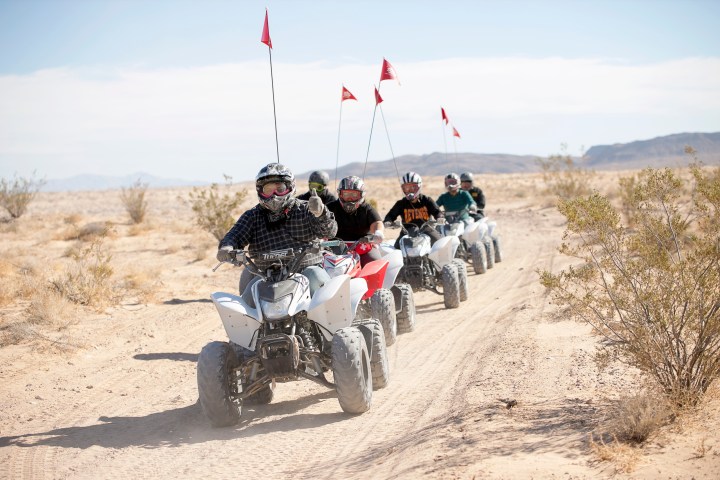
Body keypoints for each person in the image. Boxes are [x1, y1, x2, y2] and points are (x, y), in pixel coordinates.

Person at [216, 163, 337, 304]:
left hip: (305, 270)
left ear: (290, 187)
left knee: (319, 282)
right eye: (268, 189)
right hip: (265, 276)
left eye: (280, 189)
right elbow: (235, 235)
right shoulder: (252, 216)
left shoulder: (305, 209)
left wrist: (321, 213)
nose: (274, 195)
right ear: (260, 190)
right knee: (246, 304)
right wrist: (227, 247)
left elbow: (330, 231)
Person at [326, 175, 384, 266]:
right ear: (340, 194)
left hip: (363, 249)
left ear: (361, 195)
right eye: (346, 194)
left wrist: (378, 233)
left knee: (375, 263)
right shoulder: (330, 208)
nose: (349, 198)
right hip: (333, 250)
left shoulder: (367, 209)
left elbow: (377, 223)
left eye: (354, 194)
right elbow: (319, 222)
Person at [383, 171, 442, 248]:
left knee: (439, 243)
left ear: (419, 186)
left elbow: (437, 211)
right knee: (396, 249)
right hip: (406, 231)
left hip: (426, 229)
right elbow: (390, 215)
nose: (410, 190)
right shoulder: (401, 203)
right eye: (406, 188)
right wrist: (388, 221)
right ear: (403, 189)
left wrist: (440, 217)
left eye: (413, 187)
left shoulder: (427, 200)